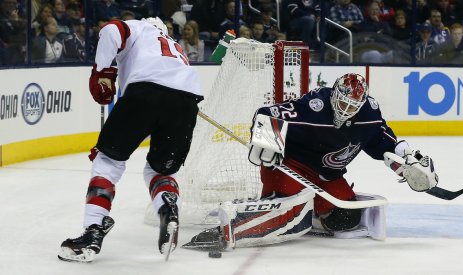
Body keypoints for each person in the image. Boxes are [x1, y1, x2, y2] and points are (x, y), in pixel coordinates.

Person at [184, 73, 438, 249]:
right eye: (342, 103)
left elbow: (382, 138)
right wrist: (266, 142)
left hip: (326, 176)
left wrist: (406, 158)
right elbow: (267, 113)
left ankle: (314, 212)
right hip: (291, 167)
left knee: (346, 219)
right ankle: (239, 223)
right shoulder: (314, 107)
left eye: (352, 107)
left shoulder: (369, 113)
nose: (346, 110)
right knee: (286, 212)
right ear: (334, 94)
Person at [58, 17, 204, 262]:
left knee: (108, 162)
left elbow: (112, 30)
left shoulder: (139, 27)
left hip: (145, 94)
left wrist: (102, 72)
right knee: (160, 171)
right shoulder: (174, 45)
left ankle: (93, 230)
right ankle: (168, 208)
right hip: (186, 102)